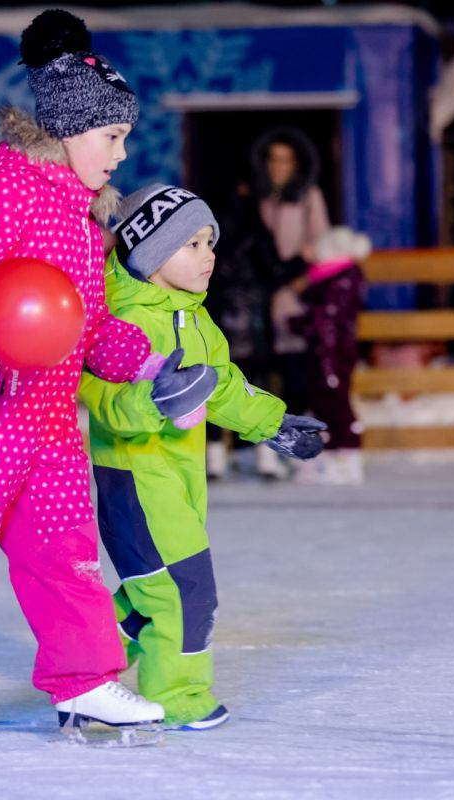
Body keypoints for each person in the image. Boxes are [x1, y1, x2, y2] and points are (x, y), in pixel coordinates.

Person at [0, 10, 216, 746]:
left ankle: (85, 681)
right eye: (111, 137)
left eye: (124, 137)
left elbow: (88, 330)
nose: (122, 153)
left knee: (66, 550)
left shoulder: (86, 221)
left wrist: (154, 367)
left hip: (53, 417)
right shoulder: (11, 183)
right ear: (68, 129)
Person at [79, 183, 328, 731]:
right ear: (149, 251)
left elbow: (223, 387)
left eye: (209, 241)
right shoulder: (118, 317)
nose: (209, 254)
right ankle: (179, 696)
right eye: (191, 243)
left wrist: (274, 425)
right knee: (185, 590)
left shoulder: (193, 318)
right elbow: (98, 396)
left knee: (152, 596)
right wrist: (153, 399)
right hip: (136, 484)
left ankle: (83, 661)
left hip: (181, 480)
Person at [205, 127, 330, 479]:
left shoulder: (306, 196)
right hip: (254, 294)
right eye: (274, 160)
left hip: (291, 294)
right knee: (247, 368)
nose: (279, 167)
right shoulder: (252, 197)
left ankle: (290, 445)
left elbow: (318, 244)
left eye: (286, 160)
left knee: (291, 373)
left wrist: (299, 278)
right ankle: (248, 448)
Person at [290, 226, 370, 485]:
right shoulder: (329, 280)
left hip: (333, 354)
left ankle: (346, 458)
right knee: (324, 403)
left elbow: (326, 321)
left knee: (336, 404)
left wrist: (300, 324)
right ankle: (331, 457)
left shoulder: (339, 281)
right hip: (325, 352)